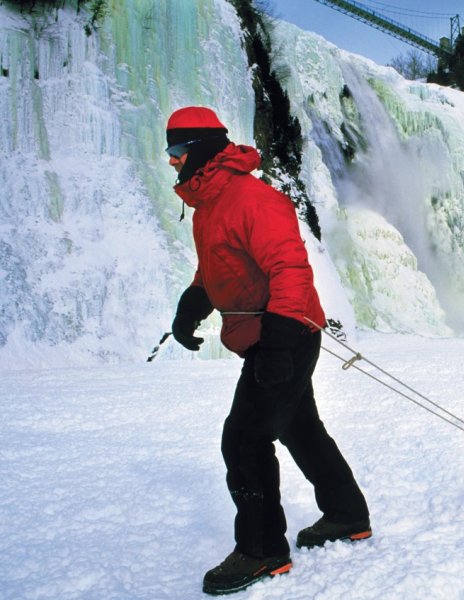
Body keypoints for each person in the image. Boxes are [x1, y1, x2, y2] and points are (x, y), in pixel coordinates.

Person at [164, 106, 371, 596]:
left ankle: (261, 551)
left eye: (176, 152)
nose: (171, 162)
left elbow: (291, 272)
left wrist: (278, 345)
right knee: (300, 429)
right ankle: (346, 515)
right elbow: (218, 266)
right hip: (270, 335)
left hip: (284, 333)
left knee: (244, 440)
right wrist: (193, 303)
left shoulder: (251, 199)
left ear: (199, 150)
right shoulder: (211, 204)